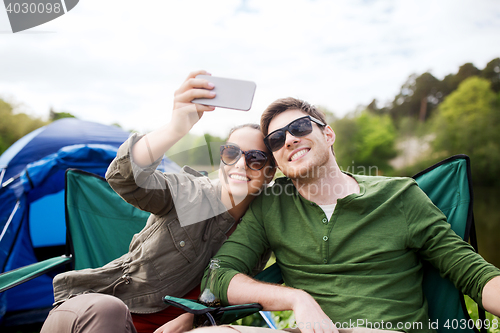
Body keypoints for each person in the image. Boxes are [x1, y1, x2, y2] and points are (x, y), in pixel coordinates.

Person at [189, 97, 500, 333]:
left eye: (299, 127)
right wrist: (297, 299)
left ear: (329, 135)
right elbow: (217, 274)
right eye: (276, 139)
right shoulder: (271, 205)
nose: (289, 139)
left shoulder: (400, 196)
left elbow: (474, 274)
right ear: (278, 163)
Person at [40, 70, 276, 333]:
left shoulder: (261, 227)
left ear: (269, 173)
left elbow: (226, 294)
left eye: (256, 158)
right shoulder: (190, 192)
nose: (241, 165)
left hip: (178, 328)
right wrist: (177, 127)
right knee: (110, 311)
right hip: (94, 313)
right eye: (231, 153)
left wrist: (191, 318)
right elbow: (125, 179)